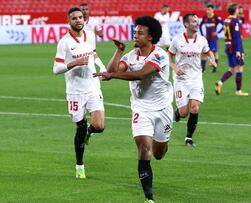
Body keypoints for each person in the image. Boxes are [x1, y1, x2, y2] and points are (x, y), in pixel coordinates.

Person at [93, 16, 173, 203]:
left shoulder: (160, 55)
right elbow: (112, 70)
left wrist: (113, 75)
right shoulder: (131, 56)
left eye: (140, 33)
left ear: (151, 36)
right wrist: (119, 51)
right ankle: (149, 197)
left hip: (162, 110)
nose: (135, 35)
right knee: (144, 148)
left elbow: (141, 74)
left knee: (159, 153)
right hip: (141, 109)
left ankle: (160, 143)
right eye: (135, 32)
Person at [53, 7, 106, 179]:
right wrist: (74, 63)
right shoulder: (64, 42)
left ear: (84, 19)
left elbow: (94, 53)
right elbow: (56, 69)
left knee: (99, 126)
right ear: (69, 21)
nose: (78, 20)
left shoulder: (90, 36)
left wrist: (101, 66)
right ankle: (79, 164)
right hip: (75, 91)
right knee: (80, 128)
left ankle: (90, 132)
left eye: (80, 17)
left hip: (92, 86)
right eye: (74, 18)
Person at [168, 13, 217, 147]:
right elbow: (169, 56)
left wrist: (212, 60)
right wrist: (174, 67)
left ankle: (188, 138)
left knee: (194, 108)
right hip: (181, 79)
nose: (197, 23)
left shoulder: (202, 40)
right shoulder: (177, 40)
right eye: (194, 21)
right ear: (186, 24)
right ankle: (178, 113)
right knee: (184, 112)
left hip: (196, 78)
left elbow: (208, 52)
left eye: (197, 21)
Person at [215, 3, 249, 96]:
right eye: (238, 9)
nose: (239, 10)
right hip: (235, 48)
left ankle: (220, 82)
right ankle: (238, 91)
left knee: (232, 69)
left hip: (228, 47)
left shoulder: (226, 20)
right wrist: (238, 50)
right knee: (240, 68)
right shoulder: (235, 21)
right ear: (235, 11)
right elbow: (237, 36)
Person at [199, 4, 223, 73]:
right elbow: (200, 25)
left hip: (214, 39)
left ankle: (214, 68)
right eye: (207, 9)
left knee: (214, 53)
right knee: (204, 53)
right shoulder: (205, 17)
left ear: (213, 10)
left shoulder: (216, 17)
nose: (208, 11)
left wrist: (217, 32)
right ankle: (203, 69)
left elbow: (223, 24)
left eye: (209, 9)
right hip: (207, 39)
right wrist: (203, 34)